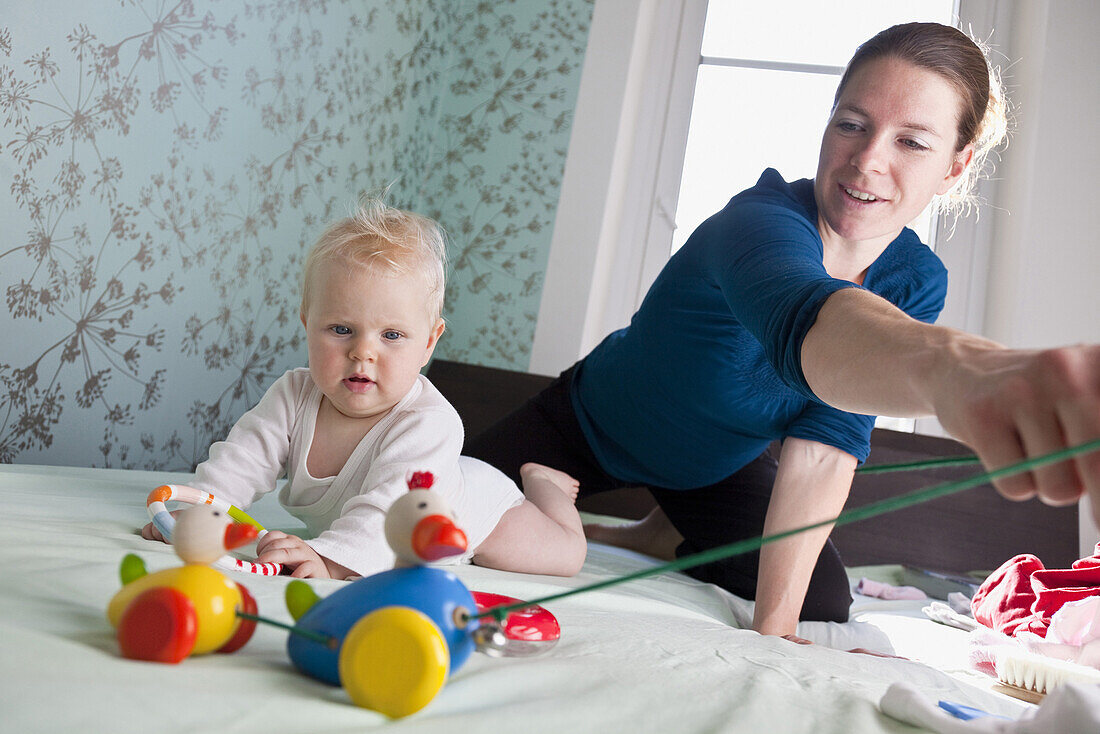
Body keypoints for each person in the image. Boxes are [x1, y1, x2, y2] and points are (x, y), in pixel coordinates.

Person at [467, 22, 1100, 639]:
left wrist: (774, 633)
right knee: (428, 512)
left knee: (822, 602)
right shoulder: (758, 221)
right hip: (583, 429)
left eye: (911, 142)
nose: (868, 160)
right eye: (851, 124)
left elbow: (826, 442)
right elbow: (811, 318)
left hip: (715, 471)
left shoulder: (914, 279)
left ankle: (649, 534)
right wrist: (961, 369)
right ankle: (623, 523)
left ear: (955, 167)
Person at [143, 200, 586, 580]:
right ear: (307, 324)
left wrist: (331, 559)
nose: (363, 353)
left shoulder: (430, 422)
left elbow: (387, 514)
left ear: (429, 342)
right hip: (428, 477)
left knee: (563, 554)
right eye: (340, 329)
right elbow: (240, 462)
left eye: (391, 336)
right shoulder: (294, 396)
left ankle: (542, 482)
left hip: (471, 508)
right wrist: (205, 513)